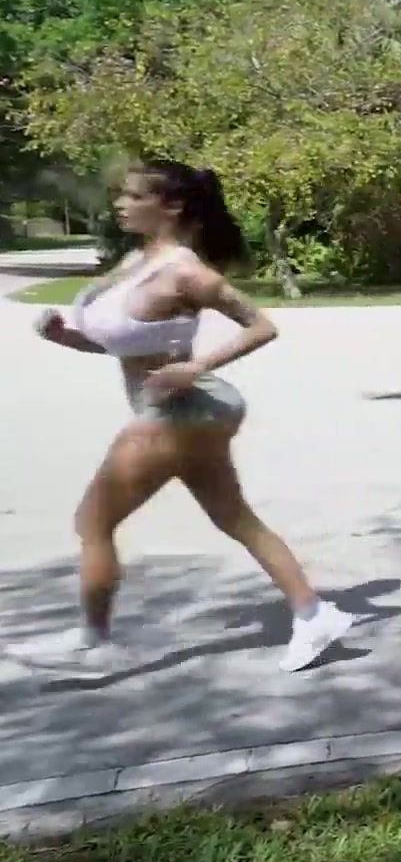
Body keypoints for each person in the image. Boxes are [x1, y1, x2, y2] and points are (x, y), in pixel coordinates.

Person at [20, 161, 354, 678]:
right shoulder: (136, 261)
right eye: (122, 196)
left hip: (178, 413)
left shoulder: (185, 272)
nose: (120, 204)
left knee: (93, 521)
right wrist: (66, 337)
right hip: (185, 412)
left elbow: (261, 326)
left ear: (171, 206)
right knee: (234, 517)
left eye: (134, 196)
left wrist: (195, 366)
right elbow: (124, 345)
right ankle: (313, 615)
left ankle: (94, 642)